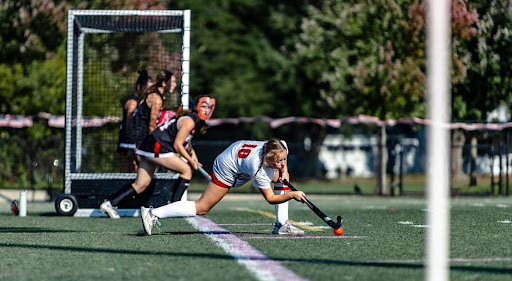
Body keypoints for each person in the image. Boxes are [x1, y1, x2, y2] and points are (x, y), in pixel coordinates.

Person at [139, 139, 307, 236]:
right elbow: (270, 199)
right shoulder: (258, 169)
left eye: (284, 159)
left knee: (279, 179)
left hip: (238, 154)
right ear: (268, 160)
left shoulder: (279, 146)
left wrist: (284, 169)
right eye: (279, 161)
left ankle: (282, 224)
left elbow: (281, 161)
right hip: (227, 166)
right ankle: (153, 213)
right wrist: (292, 194)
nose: (283, 162)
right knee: (202, 207)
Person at [100, 95, 215, 219]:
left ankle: (110, 203)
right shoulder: (189, 121)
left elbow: (186, 143)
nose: (206, 110)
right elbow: (178, 145)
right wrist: (191, 162)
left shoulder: (193, 121)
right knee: (186, 170)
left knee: (141, 184)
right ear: (196, 106)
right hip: (157, 147)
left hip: (149, 146)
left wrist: (194, 157)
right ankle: (174, 208)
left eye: (209, 108)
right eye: (203, 106)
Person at [118, 69, 154, 173]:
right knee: (132, 166)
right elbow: (129, 125)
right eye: (147, 89)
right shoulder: (132, 103)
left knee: (137, 166)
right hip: (129, 141)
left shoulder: (143, 103)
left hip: (136, 141)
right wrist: (133, 142)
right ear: (139, 87)